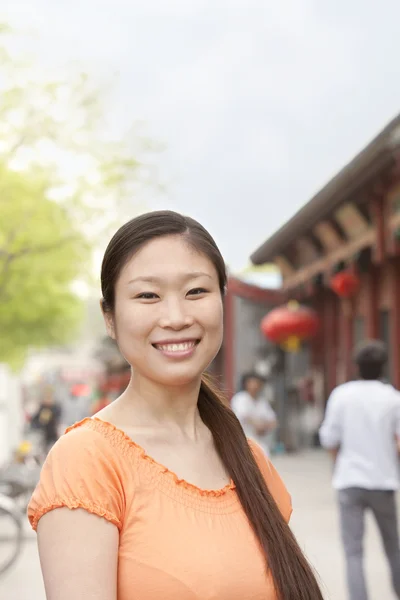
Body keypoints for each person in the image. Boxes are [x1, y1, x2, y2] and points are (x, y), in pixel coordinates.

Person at [28, 211, 324, 600]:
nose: (176, 317)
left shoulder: (250, 459)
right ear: (110, 317)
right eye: (148, 295)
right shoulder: (87, 461)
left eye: (196, 292)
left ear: (222, 300)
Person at [319, 340, 400, 600]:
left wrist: (337, 465)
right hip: (383, 480)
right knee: (392, 547)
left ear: (357, 367)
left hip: (349, 480)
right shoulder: (393, 398)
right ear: (383, 367)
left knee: (353, 551)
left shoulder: (342, 394)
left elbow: (329, 439)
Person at [231, 371, 277, 456]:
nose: (255, 386)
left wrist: (264, 427)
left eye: (258, 383)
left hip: (259, 440)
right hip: (242, 439)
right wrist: (257, 424)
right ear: (246, 384)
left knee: (264, 454)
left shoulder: (262, 402)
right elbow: (243, 415)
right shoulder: (240, 398)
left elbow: (273, 420)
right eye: (252, 383)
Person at [30, 386, 62, 455]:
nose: (48, 399)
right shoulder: (42, 408)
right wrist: (40, 422)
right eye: (46, 397)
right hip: (43, 435)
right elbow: (34, 422)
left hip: (54, 434)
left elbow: (59, 418)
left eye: (49, 397)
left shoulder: (56, 407)